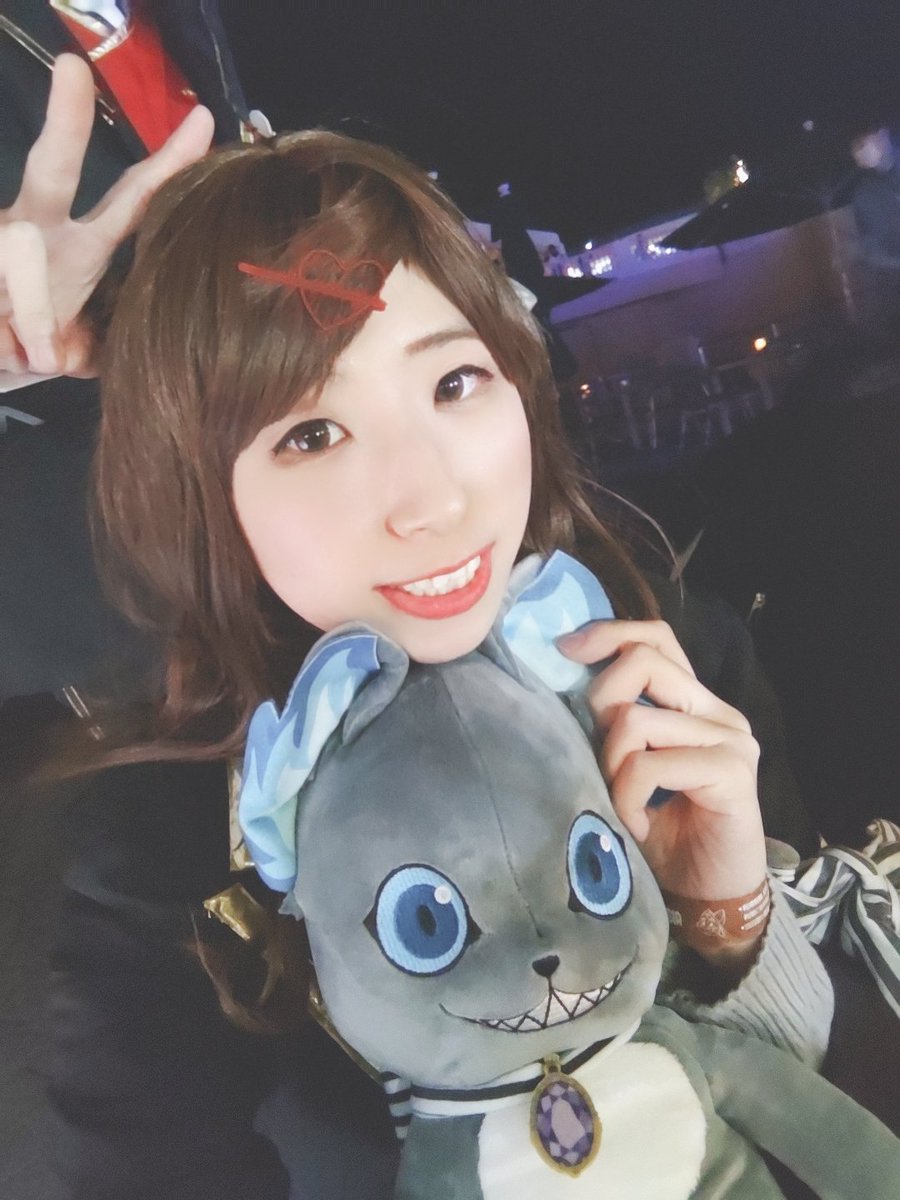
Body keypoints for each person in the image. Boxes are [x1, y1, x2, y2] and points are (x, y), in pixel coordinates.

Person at [27, 127, 839, 1199]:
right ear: (200, 498)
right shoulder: (169, 841)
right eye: (310, 434)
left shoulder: (667, 661)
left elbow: (803, 1103)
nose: (433, 500)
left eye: (456, 381)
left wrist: (727, 921)